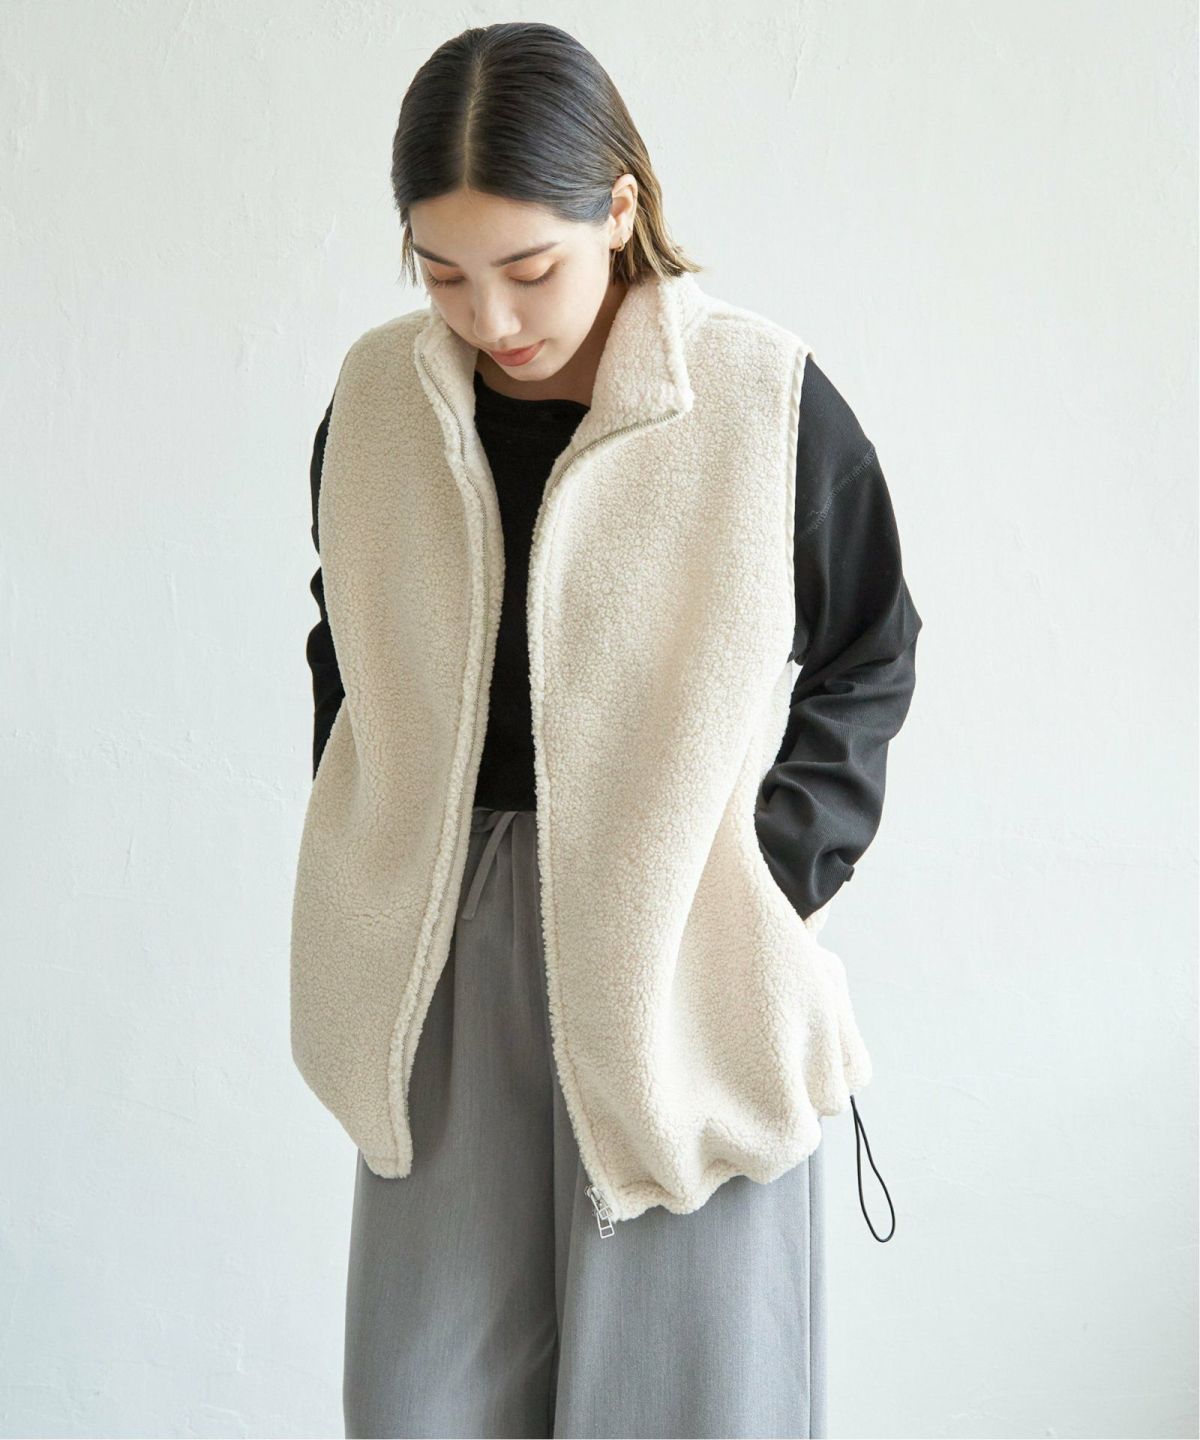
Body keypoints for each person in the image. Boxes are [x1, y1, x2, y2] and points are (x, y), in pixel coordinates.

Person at [290, 21, 922, 1440]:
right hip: (441, 942)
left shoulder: (760, 397)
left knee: (684, 1400)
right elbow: (344, 624)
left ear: (619, 208)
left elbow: (870, 648)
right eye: (442, 272)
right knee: (424, 1400)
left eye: (530, 268)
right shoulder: (380, 404)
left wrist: (765, 875)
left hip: (679, 950)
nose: (491, 316)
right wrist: (368, 839)